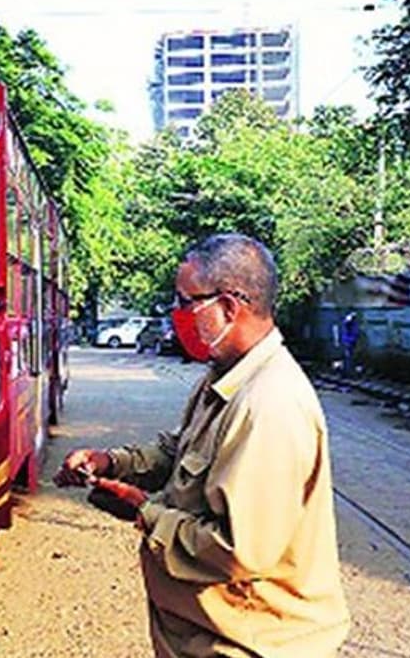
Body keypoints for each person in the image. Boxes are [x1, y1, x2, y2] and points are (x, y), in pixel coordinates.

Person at [54, 233, 350, 657]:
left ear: (229, 306)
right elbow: (180, 452)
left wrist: (144, 511)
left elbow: (240, 549)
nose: (176, 316)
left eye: (185, 302)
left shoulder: (269, 404)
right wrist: (112, 463)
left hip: (251, 644)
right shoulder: (226, 377)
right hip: (204, 636)